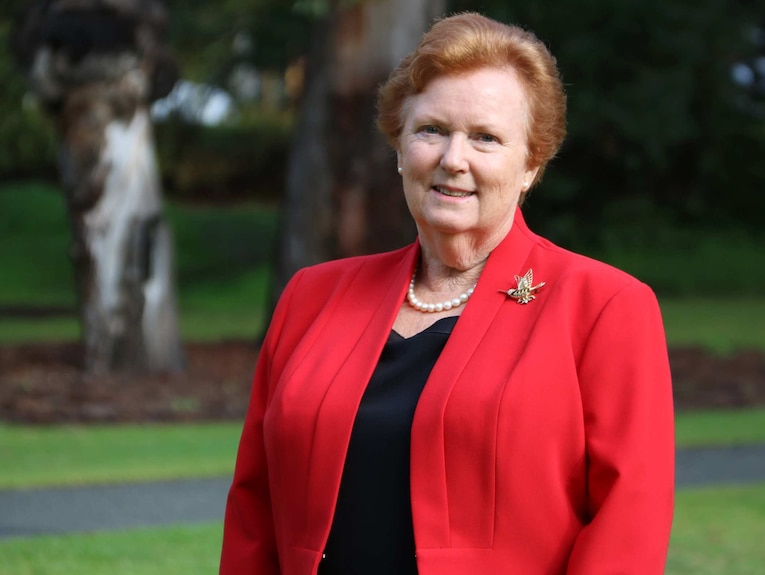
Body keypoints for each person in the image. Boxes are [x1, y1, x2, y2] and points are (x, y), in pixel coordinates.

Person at [219, 12, 674, 575]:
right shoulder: (312, 297)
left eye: (485, 138)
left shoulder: (603, 307)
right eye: (431, 130)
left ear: (530, 164)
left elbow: (628, 525)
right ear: (400, 145)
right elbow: (253, 507)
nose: (452, 159)